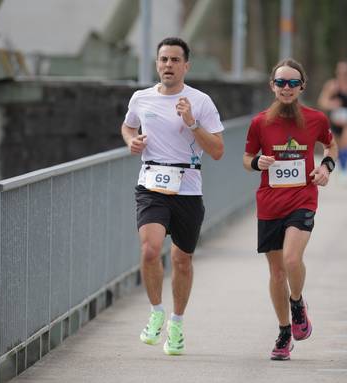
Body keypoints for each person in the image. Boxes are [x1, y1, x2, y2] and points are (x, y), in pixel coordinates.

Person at [120, 37, 225, 356]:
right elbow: (127, 127)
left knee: (182, 259)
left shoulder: (201, 101)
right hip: (151, 184)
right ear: (157, 64)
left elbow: (218, 151)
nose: (168, 65)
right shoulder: (141, 98)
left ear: (186, 66)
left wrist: (192, 122)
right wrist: (131, 142)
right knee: (151, 250)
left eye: (175, 60)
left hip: (188, 188)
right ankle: (156, 312)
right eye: (163, 59)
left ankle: (177, 323)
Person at [242, 58, 338, 360]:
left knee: (292, 258)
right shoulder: (260, 122)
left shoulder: (316, 119)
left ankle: (297, 304)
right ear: (272, 86)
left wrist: (326, 167)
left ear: (302, 87)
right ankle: (284, 332)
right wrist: (258, 162)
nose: (287, 88)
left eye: (293, 83)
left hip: (302, 199)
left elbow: (330, 147)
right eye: (281, 82)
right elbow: (247, 158)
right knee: (276, 272)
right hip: (270, 203)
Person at [317, 60, 347, 182]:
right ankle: (340, 166)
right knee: (336, 147)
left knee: (346, 142)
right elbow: (322, 102)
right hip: (335, 121)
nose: (343, 75)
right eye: (341, 72)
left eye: (346, 72)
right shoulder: (332, 85)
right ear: (337, 72)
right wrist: (332, 104)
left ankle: (344, 171)